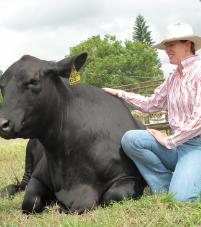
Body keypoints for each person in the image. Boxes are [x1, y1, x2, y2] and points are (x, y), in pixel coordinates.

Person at [102, 22, 201, 201]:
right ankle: (165, 186)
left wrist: (170, 140)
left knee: (182, 200)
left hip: (196, 146)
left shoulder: (199, 72)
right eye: (166, 46)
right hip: (177, 144)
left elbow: (199, 119)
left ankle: (187, 182)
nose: (167, 49)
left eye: (172, 44)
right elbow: (151, 104)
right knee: (131, 139)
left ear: (188, 45)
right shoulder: (173, 78)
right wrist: (119, 93)